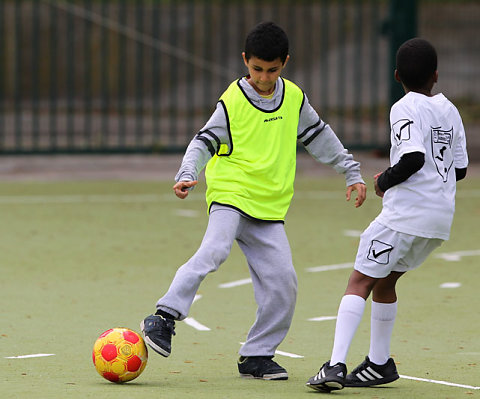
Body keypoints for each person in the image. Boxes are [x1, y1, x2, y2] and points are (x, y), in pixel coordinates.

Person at [141, 21, 366, 381]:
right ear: (246, 61)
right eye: (256, 68)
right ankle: (163, 316)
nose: (263, 77)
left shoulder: (293, 98)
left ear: (285, 63)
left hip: (269, 207)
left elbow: (319, 136)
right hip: (231, 193)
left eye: (272, 69)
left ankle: (256, 356)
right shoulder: (232, 100)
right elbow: (203, 141)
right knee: (214, 250)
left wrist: (351, 172)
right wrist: (187, 172)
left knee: (284, 284)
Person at [306, 37, 469, 392]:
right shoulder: (451, 110)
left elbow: (413, 158)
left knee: (359, 281)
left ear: (396, 75)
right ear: (436, 75)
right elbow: (459, 170)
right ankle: (379, 364)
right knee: (385, 281)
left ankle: (333, 366)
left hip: (405, 216)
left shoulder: (404, 107)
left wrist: (384, 182)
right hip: (439, 220)